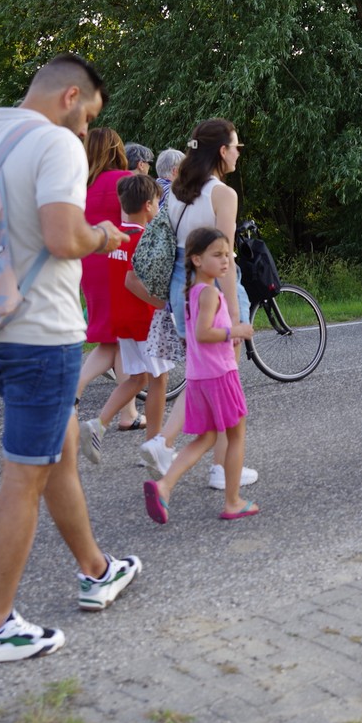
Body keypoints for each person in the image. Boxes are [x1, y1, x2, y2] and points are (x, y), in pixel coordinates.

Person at [0, 54, 141, 666]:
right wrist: (105, 235)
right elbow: (65, 237)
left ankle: (97, 569)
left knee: (60, 453)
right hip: (41, 334)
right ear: (70, 97)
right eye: (88, 115)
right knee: (24, 477)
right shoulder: (55, 144)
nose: (86, 130)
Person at [139, 119, 259, 493]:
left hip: (182, 288)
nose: (238, 153)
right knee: (225, 380)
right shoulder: (222, 194)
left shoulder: (179, 190)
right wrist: (235, 317)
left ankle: (164, 442)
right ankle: (220, 469)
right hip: (213, 287)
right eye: (236, 146)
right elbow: (224, 257)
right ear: (222, 150)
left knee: (203, 374)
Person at [143, 227, 257, 522]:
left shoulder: (192, 292)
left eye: (227, 254)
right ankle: (232, 501)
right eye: (217, 255)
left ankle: (164, 486)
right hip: (220, 375)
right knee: (236, 436)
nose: (226, 260)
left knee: (206, 437)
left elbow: (200, 334)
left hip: (200, 376)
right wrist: (236, 330)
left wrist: (227, 334)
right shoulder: (209, 293)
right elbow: (203, 333)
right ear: (196, 259)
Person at [82, 174, 170, 465]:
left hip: (122, 320)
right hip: (145, 321)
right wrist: (161, 303)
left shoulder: (117, 237)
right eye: (157, 201)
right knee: (159, 380)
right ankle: (153, 448)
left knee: (137, 378)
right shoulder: (144, 238)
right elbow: (134, 281)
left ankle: (99, 424)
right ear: (148, 205)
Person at [75, 128, 139, 429]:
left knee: (117, 340)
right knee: (118, 338)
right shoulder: (125, 180)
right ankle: (73, 392)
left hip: (89, 262)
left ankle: (129, 414)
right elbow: (133, 224)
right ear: (117, 149)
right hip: (118, 261)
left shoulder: (80, 186)